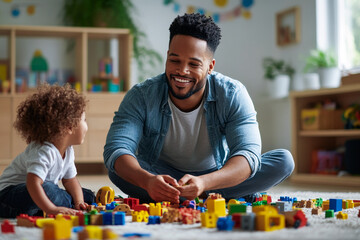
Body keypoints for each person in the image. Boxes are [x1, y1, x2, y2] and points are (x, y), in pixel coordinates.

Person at [104, 13, 294, 204]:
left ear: (210, 66)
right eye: (175, 60)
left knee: (283, 161)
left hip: (215, 177)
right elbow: (117, 148)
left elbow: (248, 154)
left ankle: (192, 195)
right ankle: (204, 195)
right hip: (159, 176)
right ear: (167, 56)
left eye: (194, 64)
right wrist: (147, 180)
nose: (182, 71)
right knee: (117, 168)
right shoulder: (141, 95)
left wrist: (203, 183)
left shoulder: (233, 94)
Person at [0, 84, 95, 218]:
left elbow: (70, 180)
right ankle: (56, 205)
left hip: (34, 197)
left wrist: (79, 201)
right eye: (84, 120)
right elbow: (33, 183)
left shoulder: (68, 150)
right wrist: (51, 209)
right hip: (8, 197)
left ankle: (62, 203)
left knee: (84, 195)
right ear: (69, 126)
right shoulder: (44, 150)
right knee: (49, 189)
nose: (86, 125)